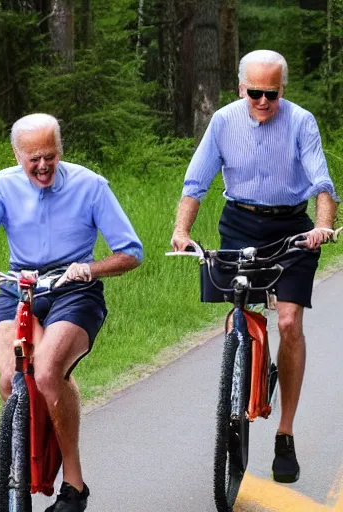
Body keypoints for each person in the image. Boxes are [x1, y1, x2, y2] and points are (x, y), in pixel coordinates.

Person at [0, 113, 143, 511]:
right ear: (17, 155)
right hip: (19, 286)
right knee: (11, 378)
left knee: (48, 372)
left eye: (50, 155)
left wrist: (91, 268)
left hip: (75, 290)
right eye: (34, 158)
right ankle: (22, 472)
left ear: (60, 150)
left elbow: (131, 252)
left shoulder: (91, 186)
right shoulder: (2, 185)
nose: (43, 165)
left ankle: (74, 485)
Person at [171, 50, 337, 484]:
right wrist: (181, 231)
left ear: (282, 89)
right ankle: (238, 380)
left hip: (291, 226)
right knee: (238, 316)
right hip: (240, 221)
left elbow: (322, 183)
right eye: (255, 93)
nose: (263, 102)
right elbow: (196, 183)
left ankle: (284, 433)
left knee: (289, 322)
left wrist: (322, 226)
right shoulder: (224, 121)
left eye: (272, 94)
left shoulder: (301, 122)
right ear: (241, 87)